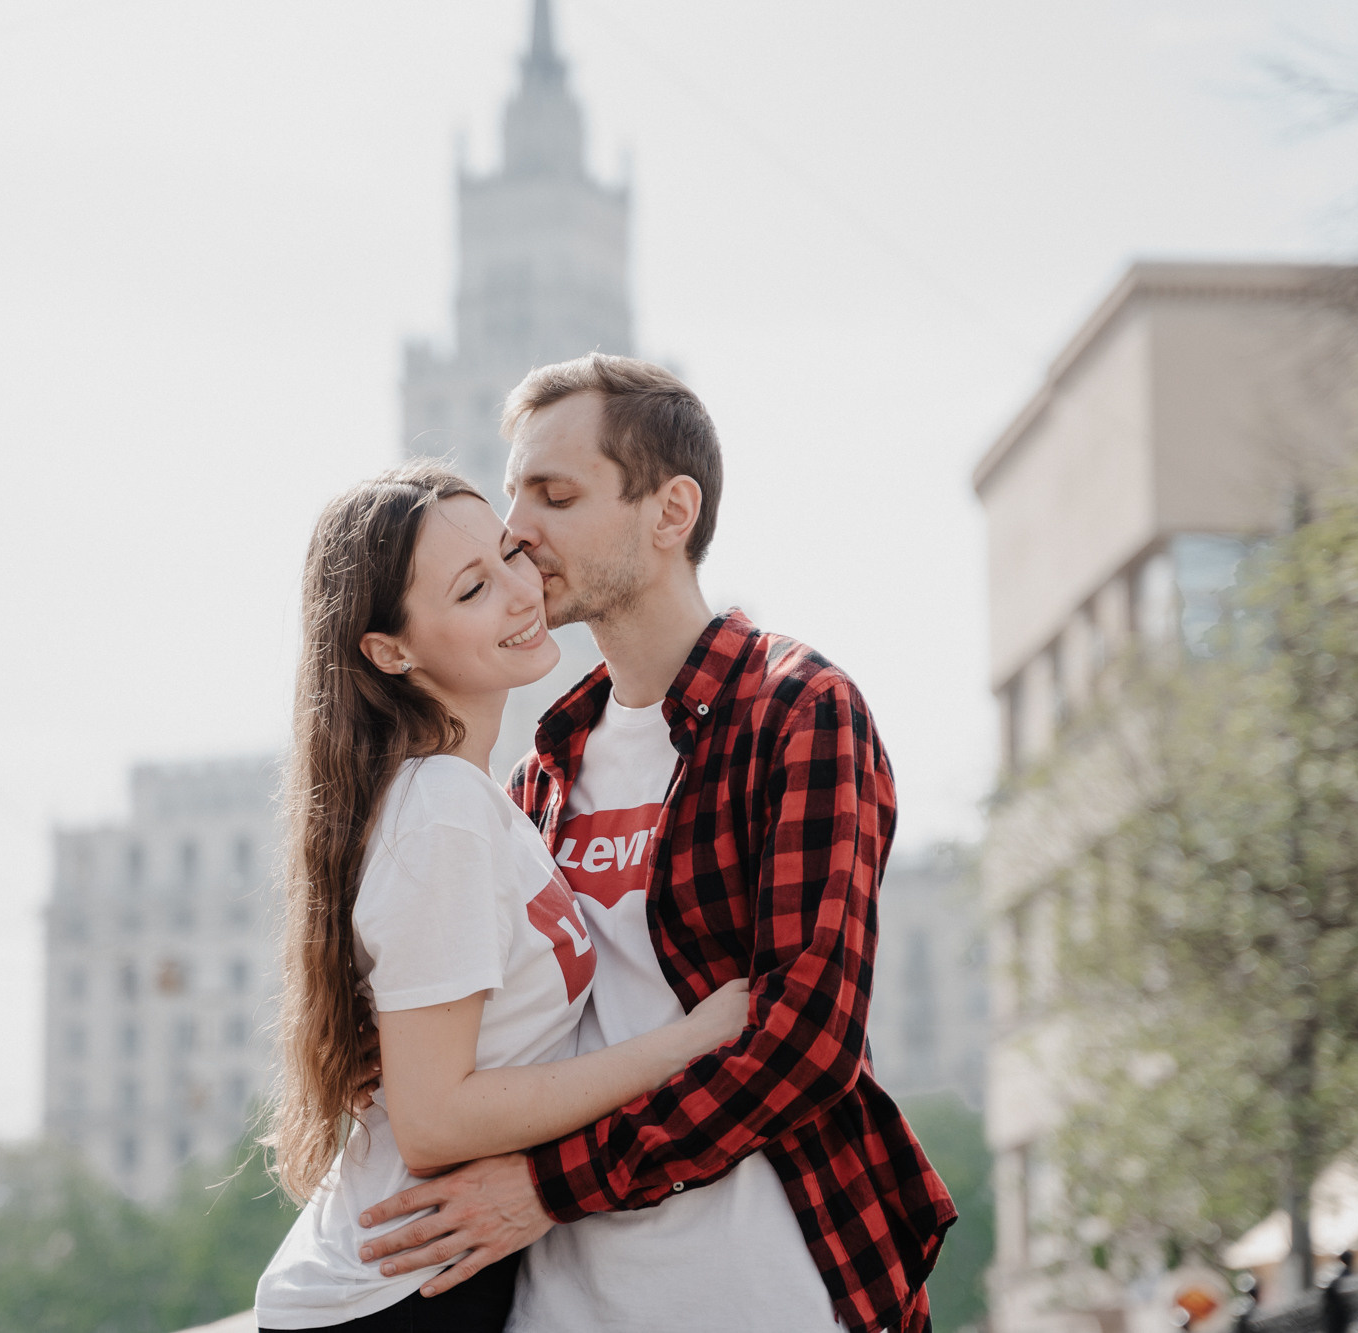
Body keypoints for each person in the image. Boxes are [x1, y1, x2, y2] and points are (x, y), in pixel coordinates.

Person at [354, 355, 959, 1333]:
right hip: (554, 1300)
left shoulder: (797, 712)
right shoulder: (540, 768)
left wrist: (548, 1185)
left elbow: (804, 1042)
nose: (514, 531)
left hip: (759, 1291)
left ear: (669, 511)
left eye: (553, 494)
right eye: (512, 495)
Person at [254, 462, 752, 1333]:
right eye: (477, 587)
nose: (524, 592)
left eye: (514, 555)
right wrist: (688, 1041)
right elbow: (435, 1121)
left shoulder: (483, 798)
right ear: (389, 651)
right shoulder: (440, 811)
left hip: (433, 1276)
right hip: (392, 1295)